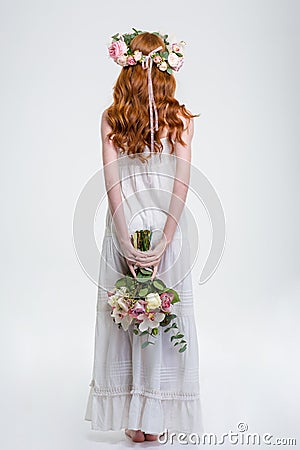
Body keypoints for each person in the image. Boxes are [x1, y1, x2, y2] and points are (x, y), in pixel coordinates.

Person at [84, 29, 204, 443]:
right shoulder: (181, 120)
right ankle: (152, 416)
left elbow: (112, 183)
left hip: (126, 225)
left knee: (126, 320)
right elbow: (181, 186)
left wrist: (123, 239)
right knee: (161, 319)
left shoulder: (111, 118)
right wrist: (166, 240)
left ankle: (135, 419)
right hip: (166, 228)